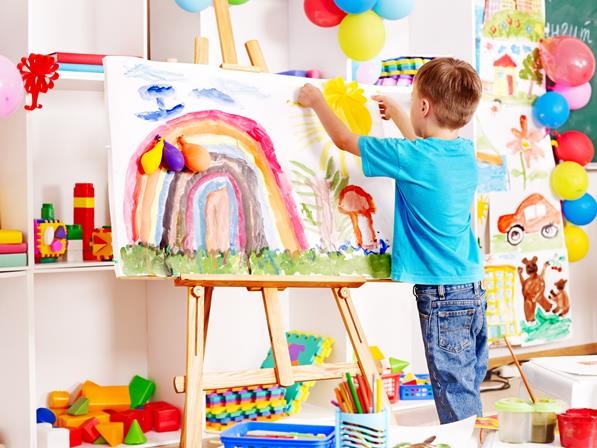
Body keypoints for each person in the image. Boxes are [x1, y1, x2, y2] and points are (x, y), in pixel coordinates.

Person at [297, 57, 487, 423]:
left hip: (442, 295)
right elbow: (425, 150)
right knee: (466, 385)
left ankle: (468, 441)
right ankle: (477, 437)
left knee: (455, 393)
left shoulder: (411, 156)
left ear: (424, 106)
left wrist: (317, 101)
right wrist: (400, 116)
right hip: (472, 288)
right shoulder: (464, 152)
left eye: (413, 101)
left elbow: (344, 140)